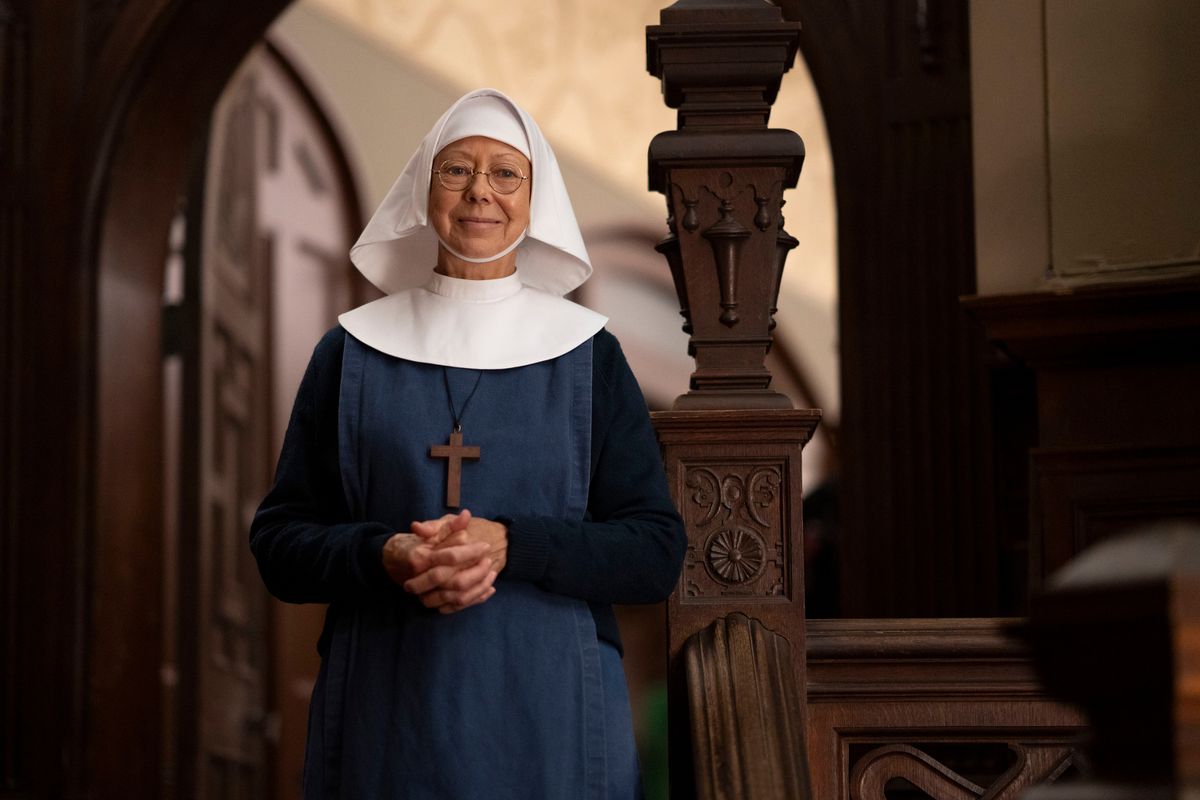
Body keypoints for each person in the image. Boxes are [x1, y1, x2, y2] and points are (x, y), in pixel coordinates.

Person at [250, 87, 686, 799]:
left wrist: (512, 544)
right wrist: (386, 553)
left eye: (506, 173)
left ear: (535, 199)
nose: (481, 190)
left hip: (551, 713)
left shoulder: (588, 356)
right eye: (456, 170)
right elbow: (279, 544)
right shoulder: (351, 351)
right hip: (385, 711)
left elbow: (654, 553)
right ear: (424, 191)